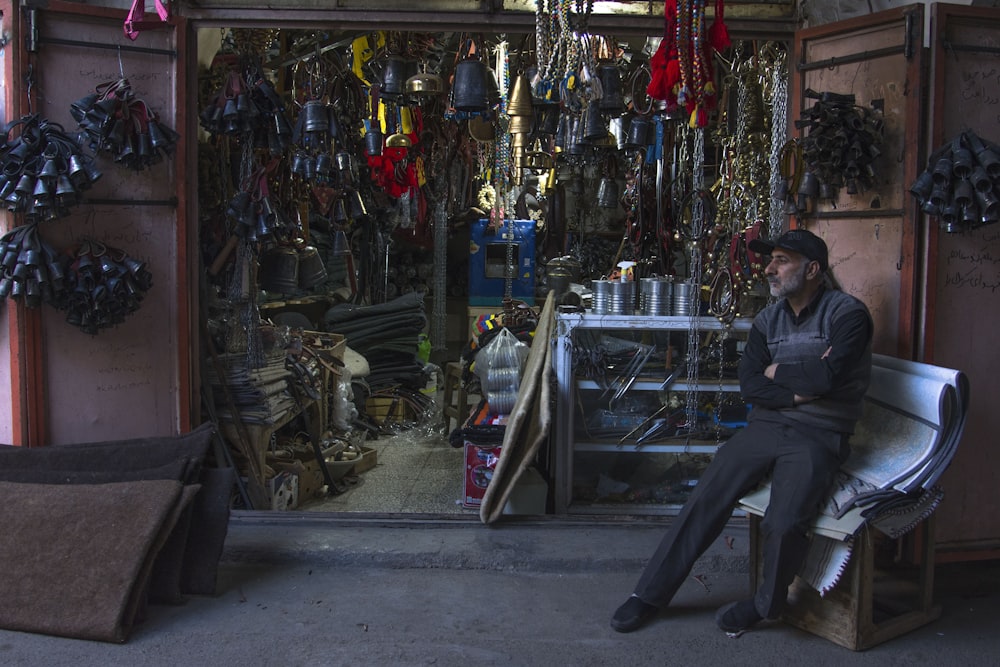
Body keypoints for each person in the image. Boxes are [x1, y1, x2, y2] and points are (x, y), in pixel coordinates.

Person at [610, 228, 873, 634]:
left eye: (781, 261)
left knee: (784, 522)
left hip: (821, 434)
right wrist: (798, 392)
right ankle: (648, 594)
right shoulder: (768, 320)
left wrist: (781, 374)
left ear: (813, 270)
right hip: (767, 425)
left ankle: (767, 605)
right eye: (770, 260)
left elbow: (828, 377)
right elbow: (751, 384)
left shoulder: (847, 314)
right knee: (707, 496)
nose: (769, 269)